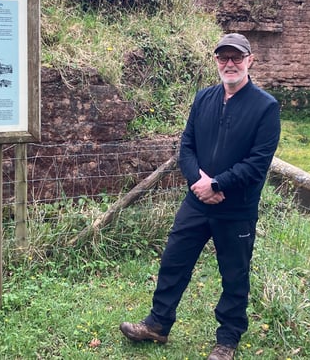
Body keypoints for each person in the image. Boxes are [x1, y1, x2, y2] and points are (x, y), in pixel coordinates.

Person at [120, 33, 281, 360]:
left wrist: (217, 185)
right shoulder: (203, 98)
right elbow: (187, 148)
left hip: (236, 208)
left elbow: (257, 163)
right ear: (216, 61)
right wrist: (199, 182)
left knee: (234, 275)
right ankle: (158, 324)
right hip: (196, 202)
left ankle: (227, 341)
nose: (230, 64)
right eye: (223, 57)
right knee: (173, 261)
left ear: (250, 60)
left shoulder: (266, 107)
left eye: (236, 57)